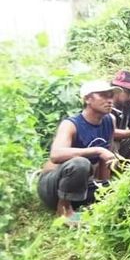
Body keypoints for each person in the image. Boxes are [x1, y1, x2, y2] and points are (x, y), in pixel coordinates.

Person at [37, 80, 120, 224]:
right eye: (103, 96)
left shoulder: (109, 120)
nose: (109, 100)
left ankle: (82, 207)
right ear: (87, 99)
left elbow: (105, 158)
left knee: (115, 188)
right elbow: (56, 155)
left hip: (79, 186)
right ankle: (63, 209)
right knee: (80, 163)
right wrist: (97, 150)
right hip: (52, 186)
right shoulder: (71, 124)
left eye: (111, 96)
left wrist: (103, 189)